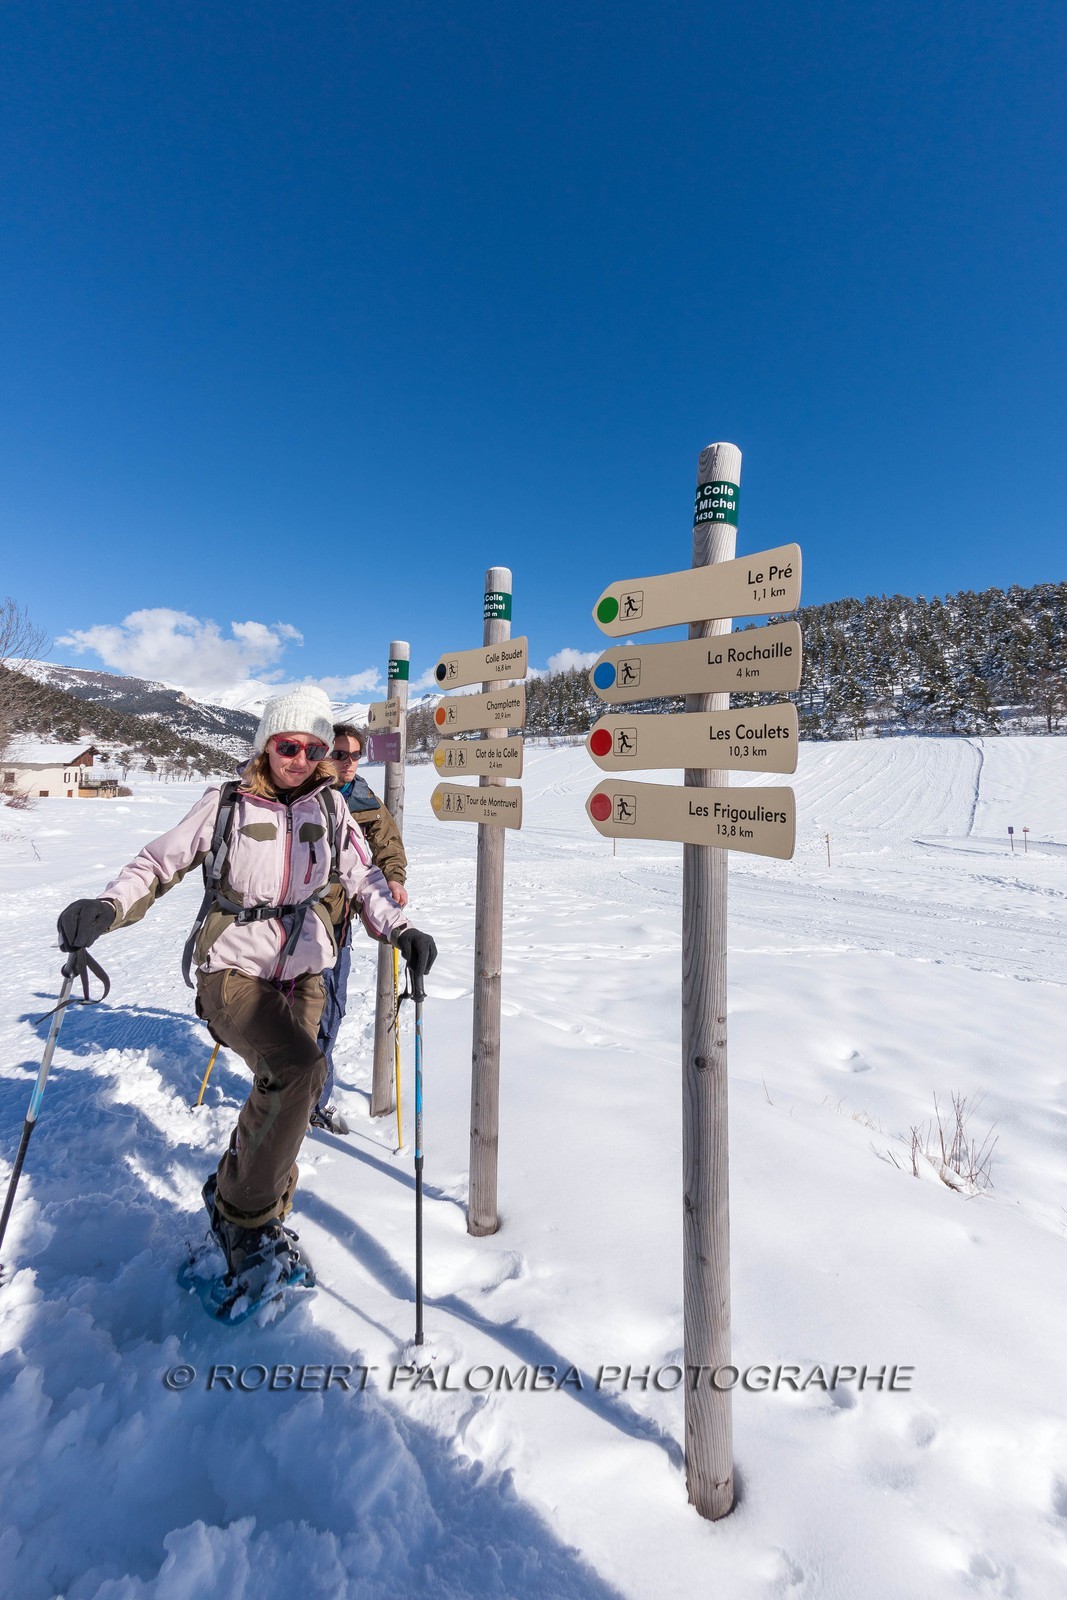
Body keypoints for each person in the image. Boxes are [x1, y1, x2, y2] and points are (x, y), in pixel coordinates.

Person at [55, 685, 437, 1296]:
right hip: (232, 971)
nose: (302, 759)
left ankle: (254, 1201)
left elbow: (364, 879)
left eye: (314, 749)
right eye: (290, 745)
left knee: (287, 1084)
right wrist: (106, 908)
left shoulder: (331, 809)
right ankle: (243, 1219)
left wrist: (402, 929)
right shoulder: (227, 803)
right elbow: (158, 864)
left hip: (306, 969)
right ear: (267, 745)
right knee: (298, 1072)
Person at [310, 722, 407, 1134]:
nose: (349, 763)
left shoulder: (366, 800)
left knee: (330, 1012)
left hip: (337, 926)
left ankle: (315, 1099)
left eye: (355, 755)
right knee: (285, 1017)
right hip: (286, 924)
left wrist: (396, 877)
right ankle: (281, 1093)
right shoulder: (300, 794)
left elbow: (389, 845)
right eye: (340, 754)